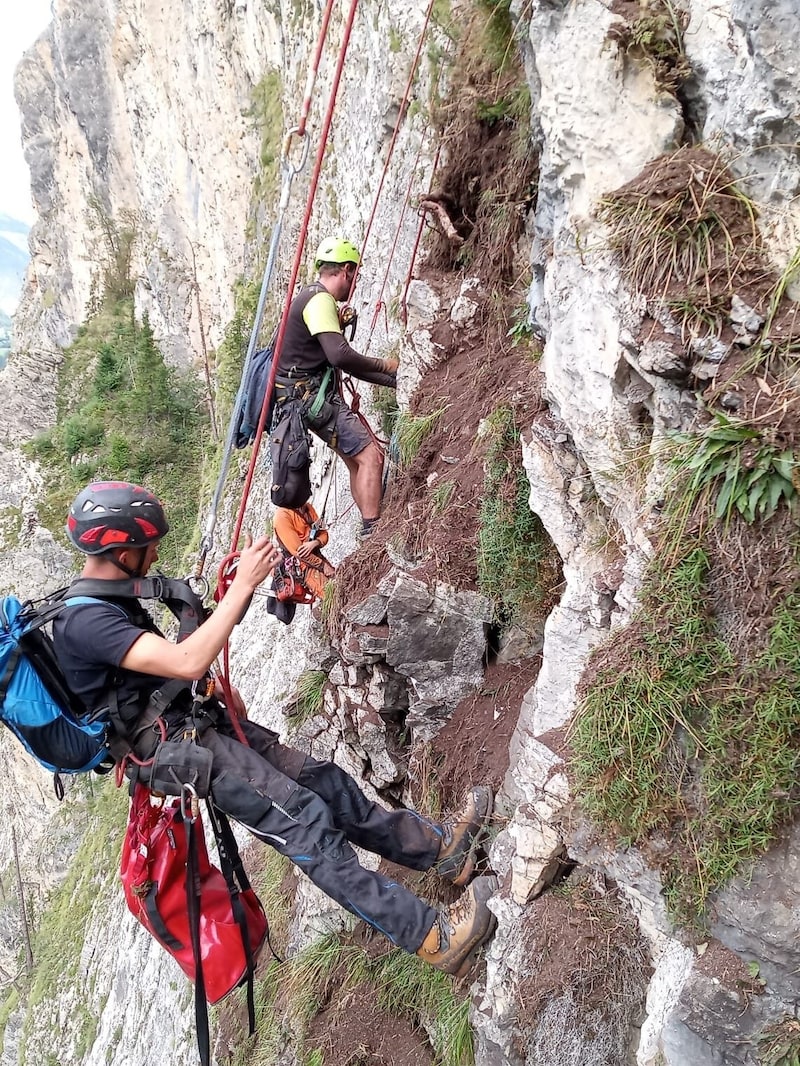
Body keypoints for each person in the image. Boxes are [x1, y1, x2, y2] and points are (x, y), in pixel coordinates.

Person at [54, 481, 498, 975]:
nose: (155, 552)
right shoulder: (85, 621)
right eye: (149, 545)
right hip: (181, 752)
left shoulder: (110, 599)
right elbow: (185, 658)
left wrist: (214, 677)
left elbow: (159, 674)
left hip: (198, 726)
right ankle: (434, 938)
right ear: (120, 551)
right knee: (305, 824)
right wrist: (242, 586)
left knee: (322, 782)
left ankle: (440, 852)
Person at [276, 237, 398, 539]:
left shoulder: (309, 297)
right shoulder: (319, 301)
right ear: (345, 271)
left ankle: (369, 526)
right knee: (371, 456)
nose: (354, 285)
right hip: (310, 398)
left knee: (356, 460)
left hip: (301, 398)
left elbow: (340, 361)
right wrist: (386, 366)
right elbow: (340, 355)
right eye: (354, 277)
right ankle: (373, 532)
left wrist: (394, 382)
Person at [273, 500, 335, 600]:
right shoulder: (282, 516)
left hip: (317, 557)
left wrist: (316, 542)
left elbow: (323, 534)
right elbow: (300, 553)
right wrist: (323, 566)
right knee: (332, 597)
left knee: (337, 588)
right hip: (305, 568)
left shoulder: (308, 508)